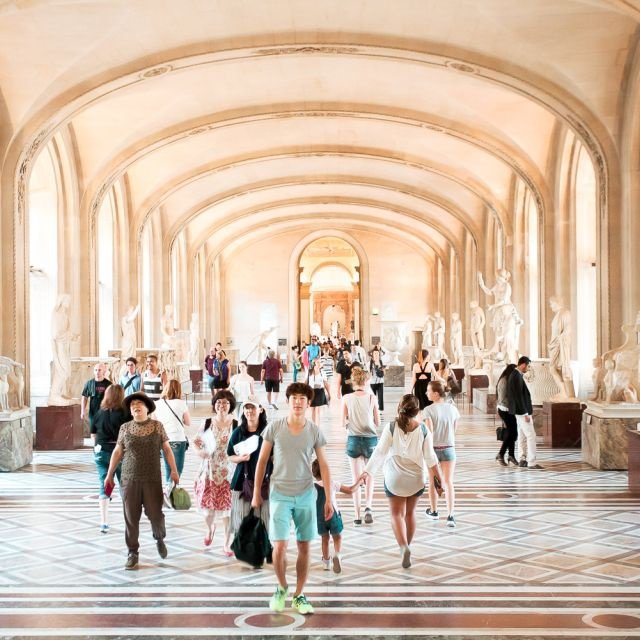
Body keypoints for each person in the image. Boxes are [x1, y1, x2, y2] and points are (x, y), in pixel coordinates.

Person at [251, 382, 333, 616]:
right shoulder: (275, 428)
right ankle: (281, 587)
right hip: (279, 494)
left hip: (306, 494)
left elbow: (324, 465)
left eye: (302, 399)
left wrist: (328, 497)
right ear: (288, 401)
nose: (298, 402)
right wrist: (257, 492)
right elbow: (262, 461)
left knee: (304, 545)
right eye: (294, 398)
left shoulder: (314, 431)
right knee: (279, 545)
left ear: (309, 403)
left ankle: (299, 593)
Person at [359, 394, 442, 569]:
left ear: (400, 407)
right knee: (410, 514)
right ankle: (408, 546)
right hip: (416, 478)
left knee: (396, 514)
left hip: (394, 477)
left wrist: (367, 472)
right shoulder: (424, 430)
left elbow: (380, 452)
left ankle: (403, 546)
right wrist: (439, 482)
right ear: (417, 411)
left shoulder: (391, 427)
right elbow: (431, 459)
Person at [104, 392, 179, 570]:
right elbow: (117, 452)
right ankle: (132, 552)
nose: (135, 407)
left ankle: (159, 537)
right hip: (129, 479)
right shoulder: (125, 428)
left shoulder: (157, 426)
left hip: (152, 479)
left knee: (155, 515)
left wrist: (174, 470)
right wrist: (109, 474)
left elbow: (167, 450)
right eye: (132, 405)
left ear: (147, 408)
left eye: (139, 404)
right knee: (131, 517)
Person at [193, 389, 237, 554]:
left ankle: (226, 543)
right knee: (207, 512)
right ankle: (210, 528)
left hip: (229, 473)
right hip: (209, 472)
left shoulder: (236, 424)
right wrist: (200, 453)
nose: (222, 406)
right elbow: (196, 442)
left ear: (230, 405)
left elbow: (241, 445)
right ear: (214, 405)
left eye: (225, 403)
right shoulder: (207, 423)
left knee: (228, 511)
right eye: (219, 402)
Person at [226, 394, 271, 538]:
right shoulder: (238, 432)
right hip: (242, 480)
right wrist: (240, 458)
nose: (249, 411)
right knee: (242, 516)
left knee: (265, 516)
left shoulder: (268, 431)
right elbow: (230, 454)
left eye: (252, 408)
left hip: (266, 480)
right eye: (246, 408)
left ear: (261, 410)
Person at [342, 366, 380, 525]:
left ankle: (357, 515)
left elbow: (343, 422)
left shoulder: (346, 398)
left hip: (353, 440)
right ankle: (368, 507)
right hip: (370, 440)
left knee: (356, 478)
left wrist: (352, 422)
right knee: (369, 475)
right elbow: (377, 422)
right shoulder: (372, 398)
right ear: (366, 382)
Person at [91, 384, 131, 533]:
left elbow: (93, 433)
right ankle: (128, 520)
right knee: (124, 486)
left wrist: (96, 449)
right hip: (119, 452)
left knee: (104, 486)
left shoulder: (99, 412)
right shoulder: (125, 413)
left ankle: (104, 522)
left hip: (101, 451)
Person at [423, 380, 460, 527]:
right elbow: (454, 430)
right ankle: (450, 515)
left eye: (428, 390)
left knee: (433, 482)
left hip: (433, 449)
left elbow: (429, 432)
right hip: (449, 447)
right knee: (448, 482)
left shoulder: (428, 410)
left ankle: (434, 511)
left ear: (436, 394)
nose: (427, 393)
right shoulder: (453, 409)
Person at [311, 459, 357, 574]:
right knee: (337, 537)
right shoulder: (332, 483)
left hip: (320, 517)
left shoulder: (312, 486)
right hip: (333, 515)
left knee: (324, 539)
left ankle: (326, 563)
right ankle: (337, 555)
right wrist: (360, 482)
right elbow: (350, 490)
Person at [506, 356, 542, 469]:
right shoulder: (516, 376)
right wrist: (525, 413)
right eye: (528, 365)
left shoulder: (515, 375)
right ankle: (531, 462)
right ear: (523, 364)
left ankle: (522, 458)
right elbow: (518, 397)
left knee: (522, 435)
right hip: (522, 412)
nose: (528, 368)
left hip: (518, 411)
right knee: (531, 435)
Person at [153, 379, 191, 482]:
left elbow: (154, 423)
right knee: (177, 470)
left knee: (168, 468)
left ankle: (168, 493)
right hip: (178, 439)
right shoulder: (181, 403)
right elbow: (188, 422)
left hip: (163, 439)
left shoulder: (157, 404)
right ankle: (169, 493)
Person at [495, 363, 518, 466]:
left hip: (506, 409)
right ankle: (501, 454)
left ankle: (511, 455)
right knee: (511, 433)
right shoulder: (505, 381)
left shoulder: (505, 379)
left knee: (512, 433)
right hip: (505, 409)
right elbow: (504, 398)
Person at [81, 363, 112, 429]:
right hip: (93, 413)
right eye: (96, 370)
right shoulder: (89, 383)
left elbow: (112, 398)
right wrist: (82, 411)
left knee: (103, 432)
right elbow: (84, 397)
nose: (97, 372)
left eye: (99, 370)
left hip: (105, 413)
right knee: (93, 433)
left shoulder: (109, 384)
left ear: (104, 371)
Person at [307, 358, 331, 425]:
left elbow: (326, 383)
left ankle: (317, 426)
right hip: (311, 392)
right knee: (312, 410)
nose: (320, 363)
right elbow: (305, 382)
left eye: (320, 362)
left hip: (320, 391)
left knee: (317, 410)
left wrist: (329, 394)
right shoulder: (309, 372)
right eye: (318, 362)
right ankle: (313, 425)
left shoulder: (322, 372)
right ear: (314, 363)